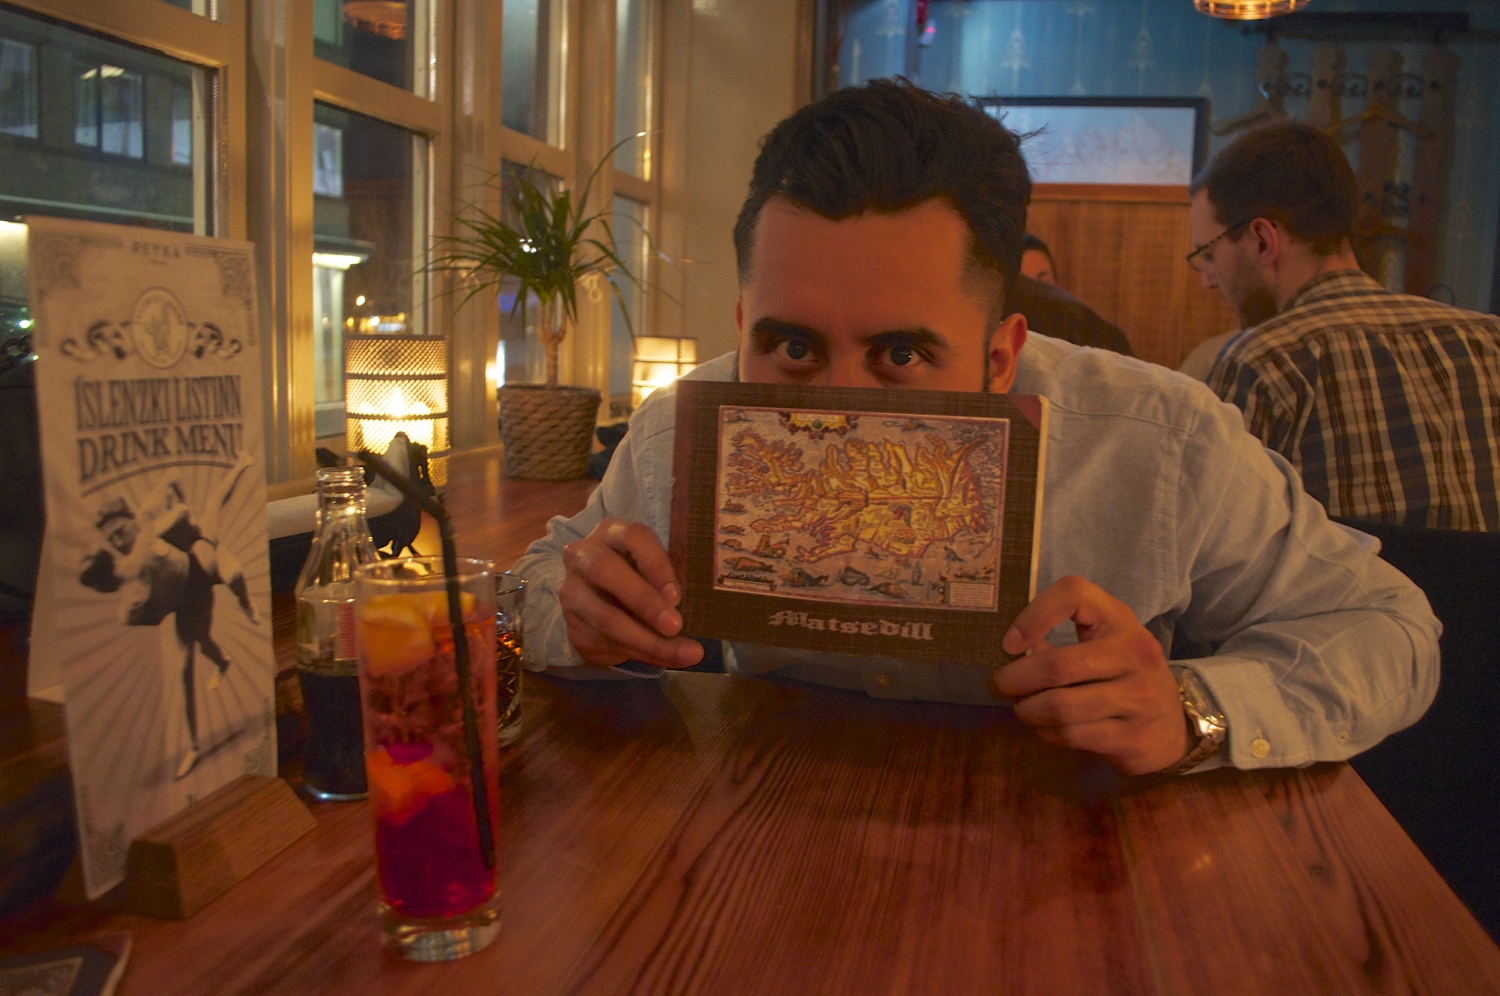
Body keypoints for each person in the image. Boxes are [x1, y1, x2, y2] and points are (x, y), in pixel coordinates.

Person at [514, 81, 1438, 776]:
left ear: (1001, 356)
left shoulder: (1159, 439)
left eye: (901, 356)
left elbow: (1388, 630)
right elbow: (534, 586)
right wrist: (581, 617)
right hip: (759, 840)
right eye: (791, 344)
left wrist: (1192, 709)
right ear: (741, 321)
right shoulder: (685, 428)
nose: (839, 411)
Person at [1191, 121, 1500, 530]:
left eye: (1208, 254)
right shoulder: (1488, 339)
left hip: (1352, 595)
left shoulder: (1261, 362)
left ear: (1263, 239)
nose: (1206, 278)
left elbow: (1213, 546)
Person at [80, 455, 260, 779]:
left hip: (203, 564)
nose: (120, 540)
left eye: (121, 531)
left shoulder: (149, 520)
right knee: (188, 662)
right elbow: (132, 591)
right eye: (113, 539)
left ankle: (247, 608)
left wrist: (184, 500)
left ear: (131, 519)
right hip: (188, 601)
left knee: (232, 573)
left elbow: (176, 477)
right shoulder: (131, 572)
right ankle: (195, 742)